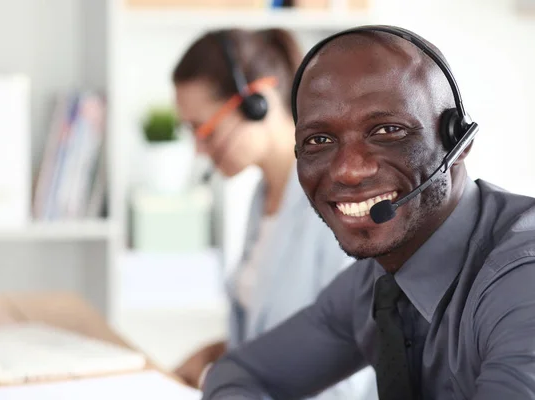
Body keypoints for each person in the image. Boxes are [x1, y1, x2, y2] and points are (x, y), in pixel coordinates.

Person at [201, 25, 535, 400]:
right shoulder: (374, 285)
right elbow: (240, 373)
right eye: (319, 140)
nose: (348, 169)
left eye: (388, 130)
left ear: (457, 141)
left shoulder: (522, 282)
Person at [171, 28, 376, 399]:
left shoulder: (340, 203)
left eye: (205, 130)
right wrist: (214, 354)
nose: (200, 150)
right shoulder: (262, 196)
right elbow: (273, 337)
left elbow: (346, 368)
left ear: (257, 101)